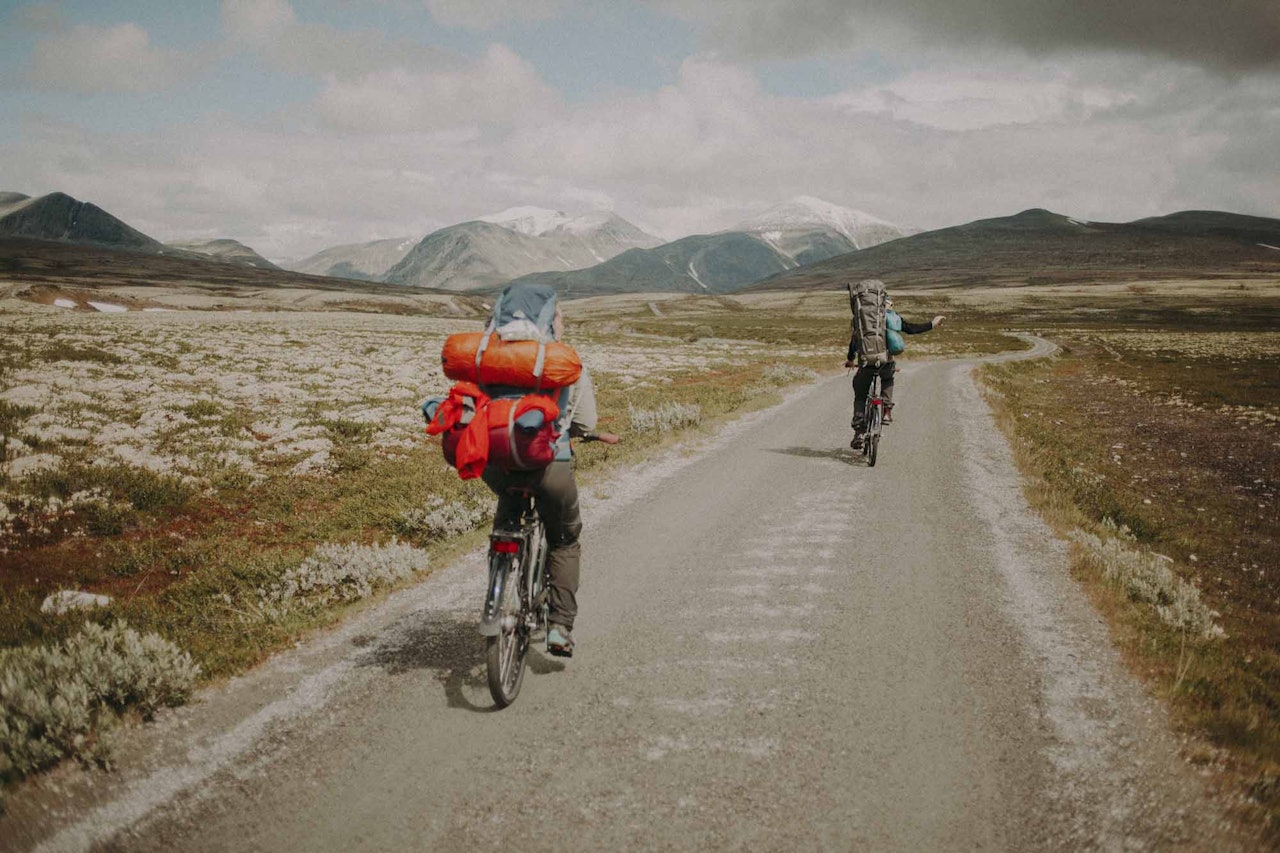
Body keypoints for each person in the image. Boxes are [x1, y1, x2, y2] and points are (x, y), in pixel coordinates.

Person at [480, 294, 618, 658]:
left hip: (497, 462)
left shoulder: (490, 357)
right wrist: (575, 431)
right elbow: (586, 421)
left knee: (507, 514)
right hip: (550, 467)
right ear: (553, 323)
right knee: (565, 540)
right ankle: (559, 626)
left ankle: (500, 571)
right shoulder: (564, 361)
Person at [844, 296, 943, 448]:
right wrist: (932, 323)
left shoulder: (864, 321)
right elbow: (912, 329)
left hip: (866, 364)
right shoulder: (894, 318)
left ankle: (859, 432)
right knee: (888, 379)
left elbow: (854, 343)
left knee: (860, 395)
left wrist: (851, 360)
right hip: (886, 363)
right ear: (890, 306)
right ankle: (886, 411)